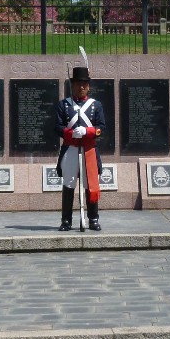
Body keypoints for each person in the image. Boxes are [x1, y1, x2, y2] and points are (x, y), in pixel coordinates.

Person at [55, 66, 105, 231]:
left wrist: (87, 131)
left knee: (90, 183)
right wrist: (70, 133)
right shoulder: (64, 105)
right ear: (72, 85)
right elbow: (57, 127)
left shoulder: (95, 105)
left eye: (84, 84)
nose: (81, 87)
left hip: (89, 149)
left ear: (88, 86)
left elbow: (101, 128)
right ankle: (66, 220)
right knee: (69, 183)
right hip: (71, 148)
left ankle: (93, 219)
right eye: (77, 84)